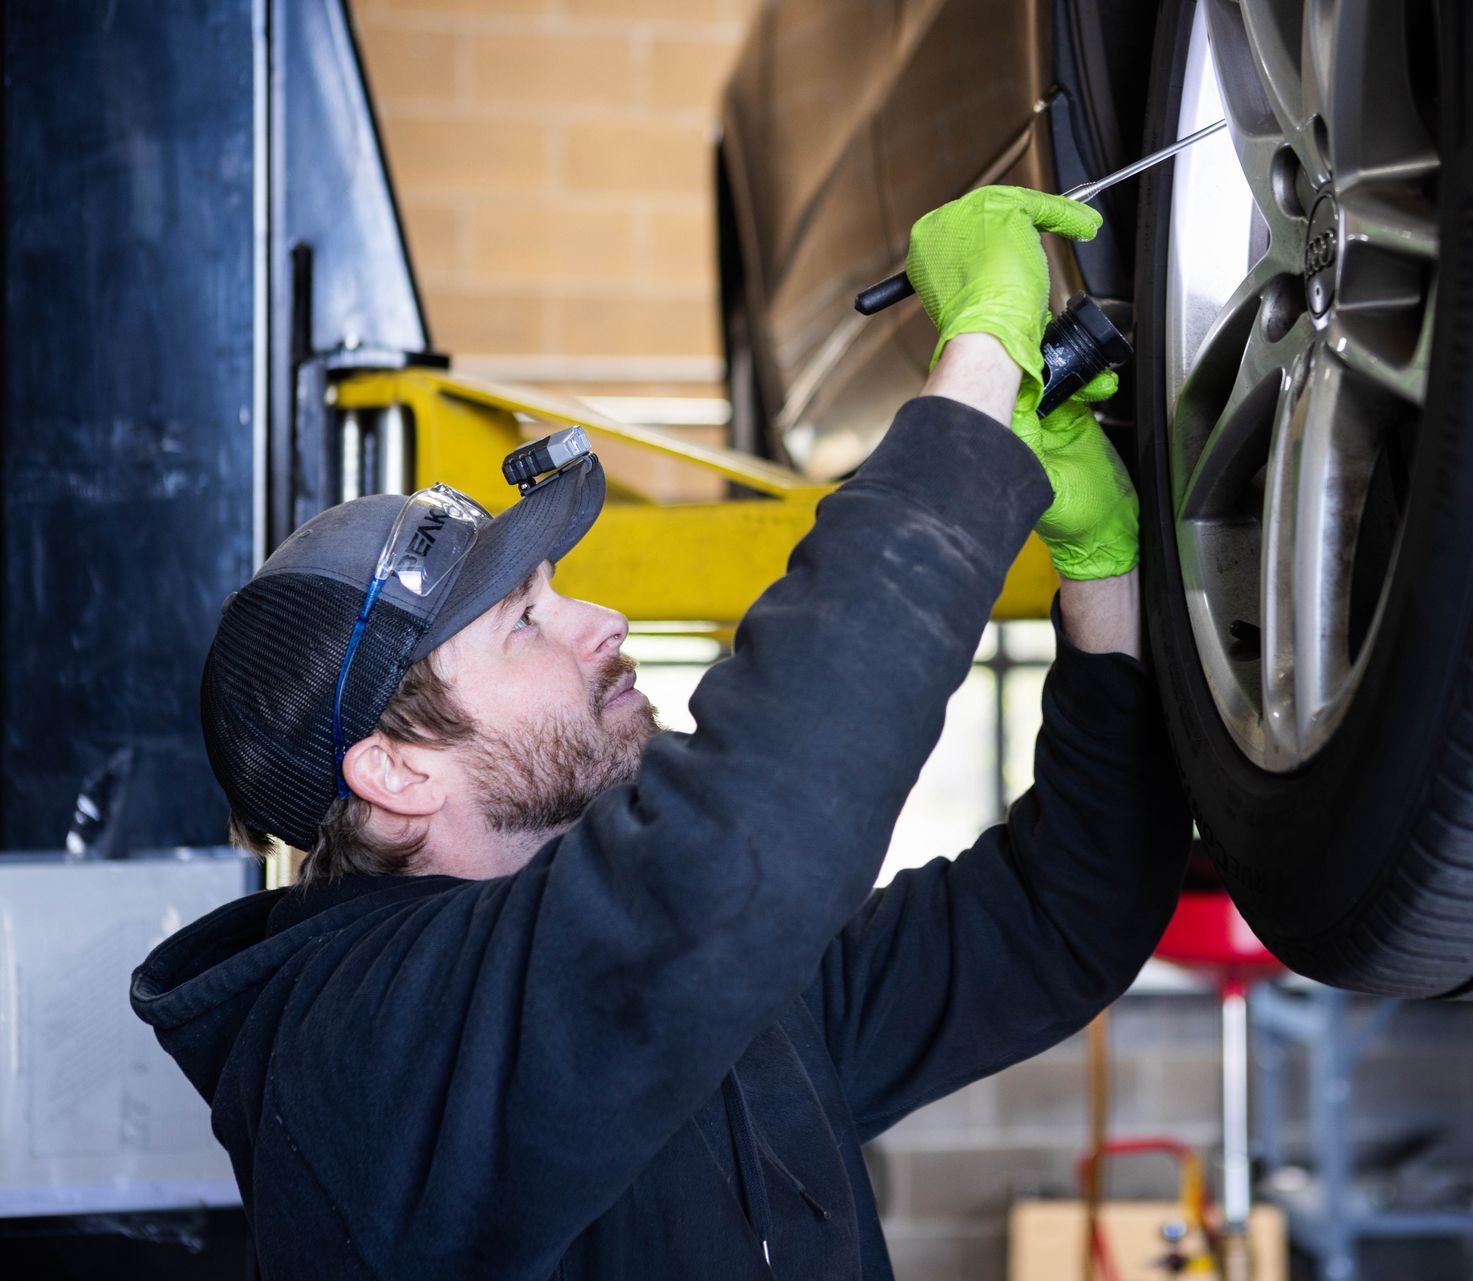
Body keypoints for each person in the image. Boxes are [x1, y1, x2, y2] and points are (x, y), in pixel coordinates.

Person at [131, 187, 1191, 1279]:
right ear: (395, 769)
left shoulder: (668, 975)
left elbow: (1060, 916)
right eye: (525, 623)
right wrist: (974, 371)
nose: (604, 622)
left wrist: (1102, 572)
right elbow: (755, 823)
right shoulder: (366, 1050)